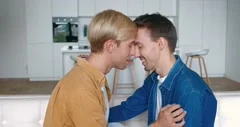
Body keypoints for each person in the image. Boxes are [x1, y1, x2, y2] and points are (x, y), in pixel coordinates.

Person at [43, 10, 185, 127]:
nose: (134, 53)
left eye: (138, 46)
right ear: (111, 46)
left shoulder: (91, 77)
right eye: (130, 45)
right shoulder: (82, 88)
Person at [109, 13, 217, 127]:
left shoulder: (190, 91)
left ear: (160, 43)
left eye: (140, 46)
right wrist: (94, 117)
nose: (135, 54)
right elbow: (127, 110)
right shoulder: (154, 79)